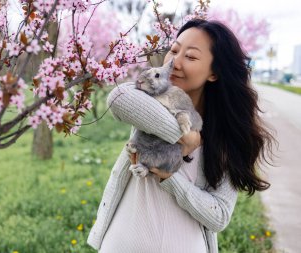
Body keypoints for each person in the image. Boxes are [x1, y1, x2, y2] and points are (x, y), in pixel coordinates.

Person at [87, 19, 275, 253]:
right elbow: (118, 98)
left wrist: (170, 177)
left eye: (191, 56)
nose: (175, 61)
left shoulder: (226, 137)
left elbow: (219, 216)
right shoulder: (151, 102)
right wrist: (185, 136)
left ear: (214, 73)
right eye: (174, 50)